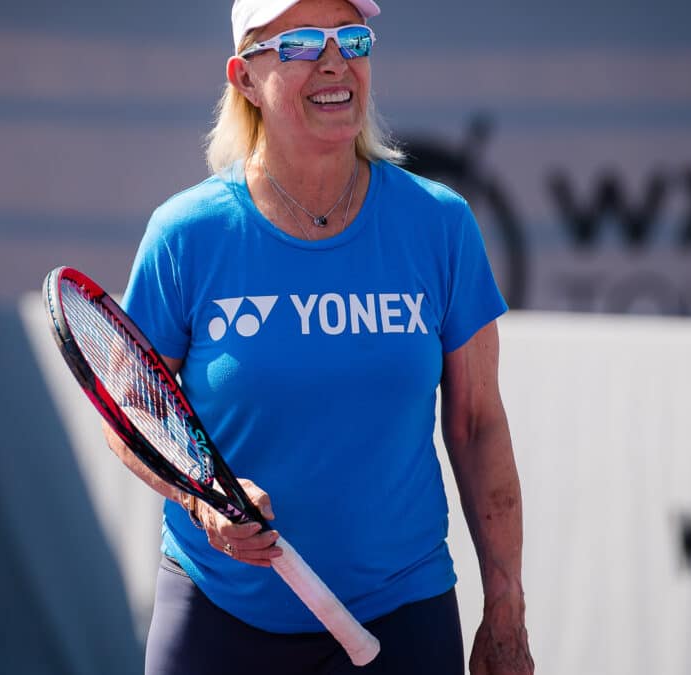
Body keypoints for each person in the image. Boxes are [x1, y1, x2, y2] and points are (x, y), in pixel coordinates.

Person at [113, 0, 533, 672]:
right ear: (244, 77)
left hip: (402, 613)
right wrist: (202, 495)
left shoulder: (439, 224)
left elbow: (478, 423)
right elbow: (131, 407)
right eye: (303, 42)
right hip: (220, 615)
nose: (335, 60)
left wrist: (505, 602)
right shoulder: (187, 234)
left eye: (353, 38)